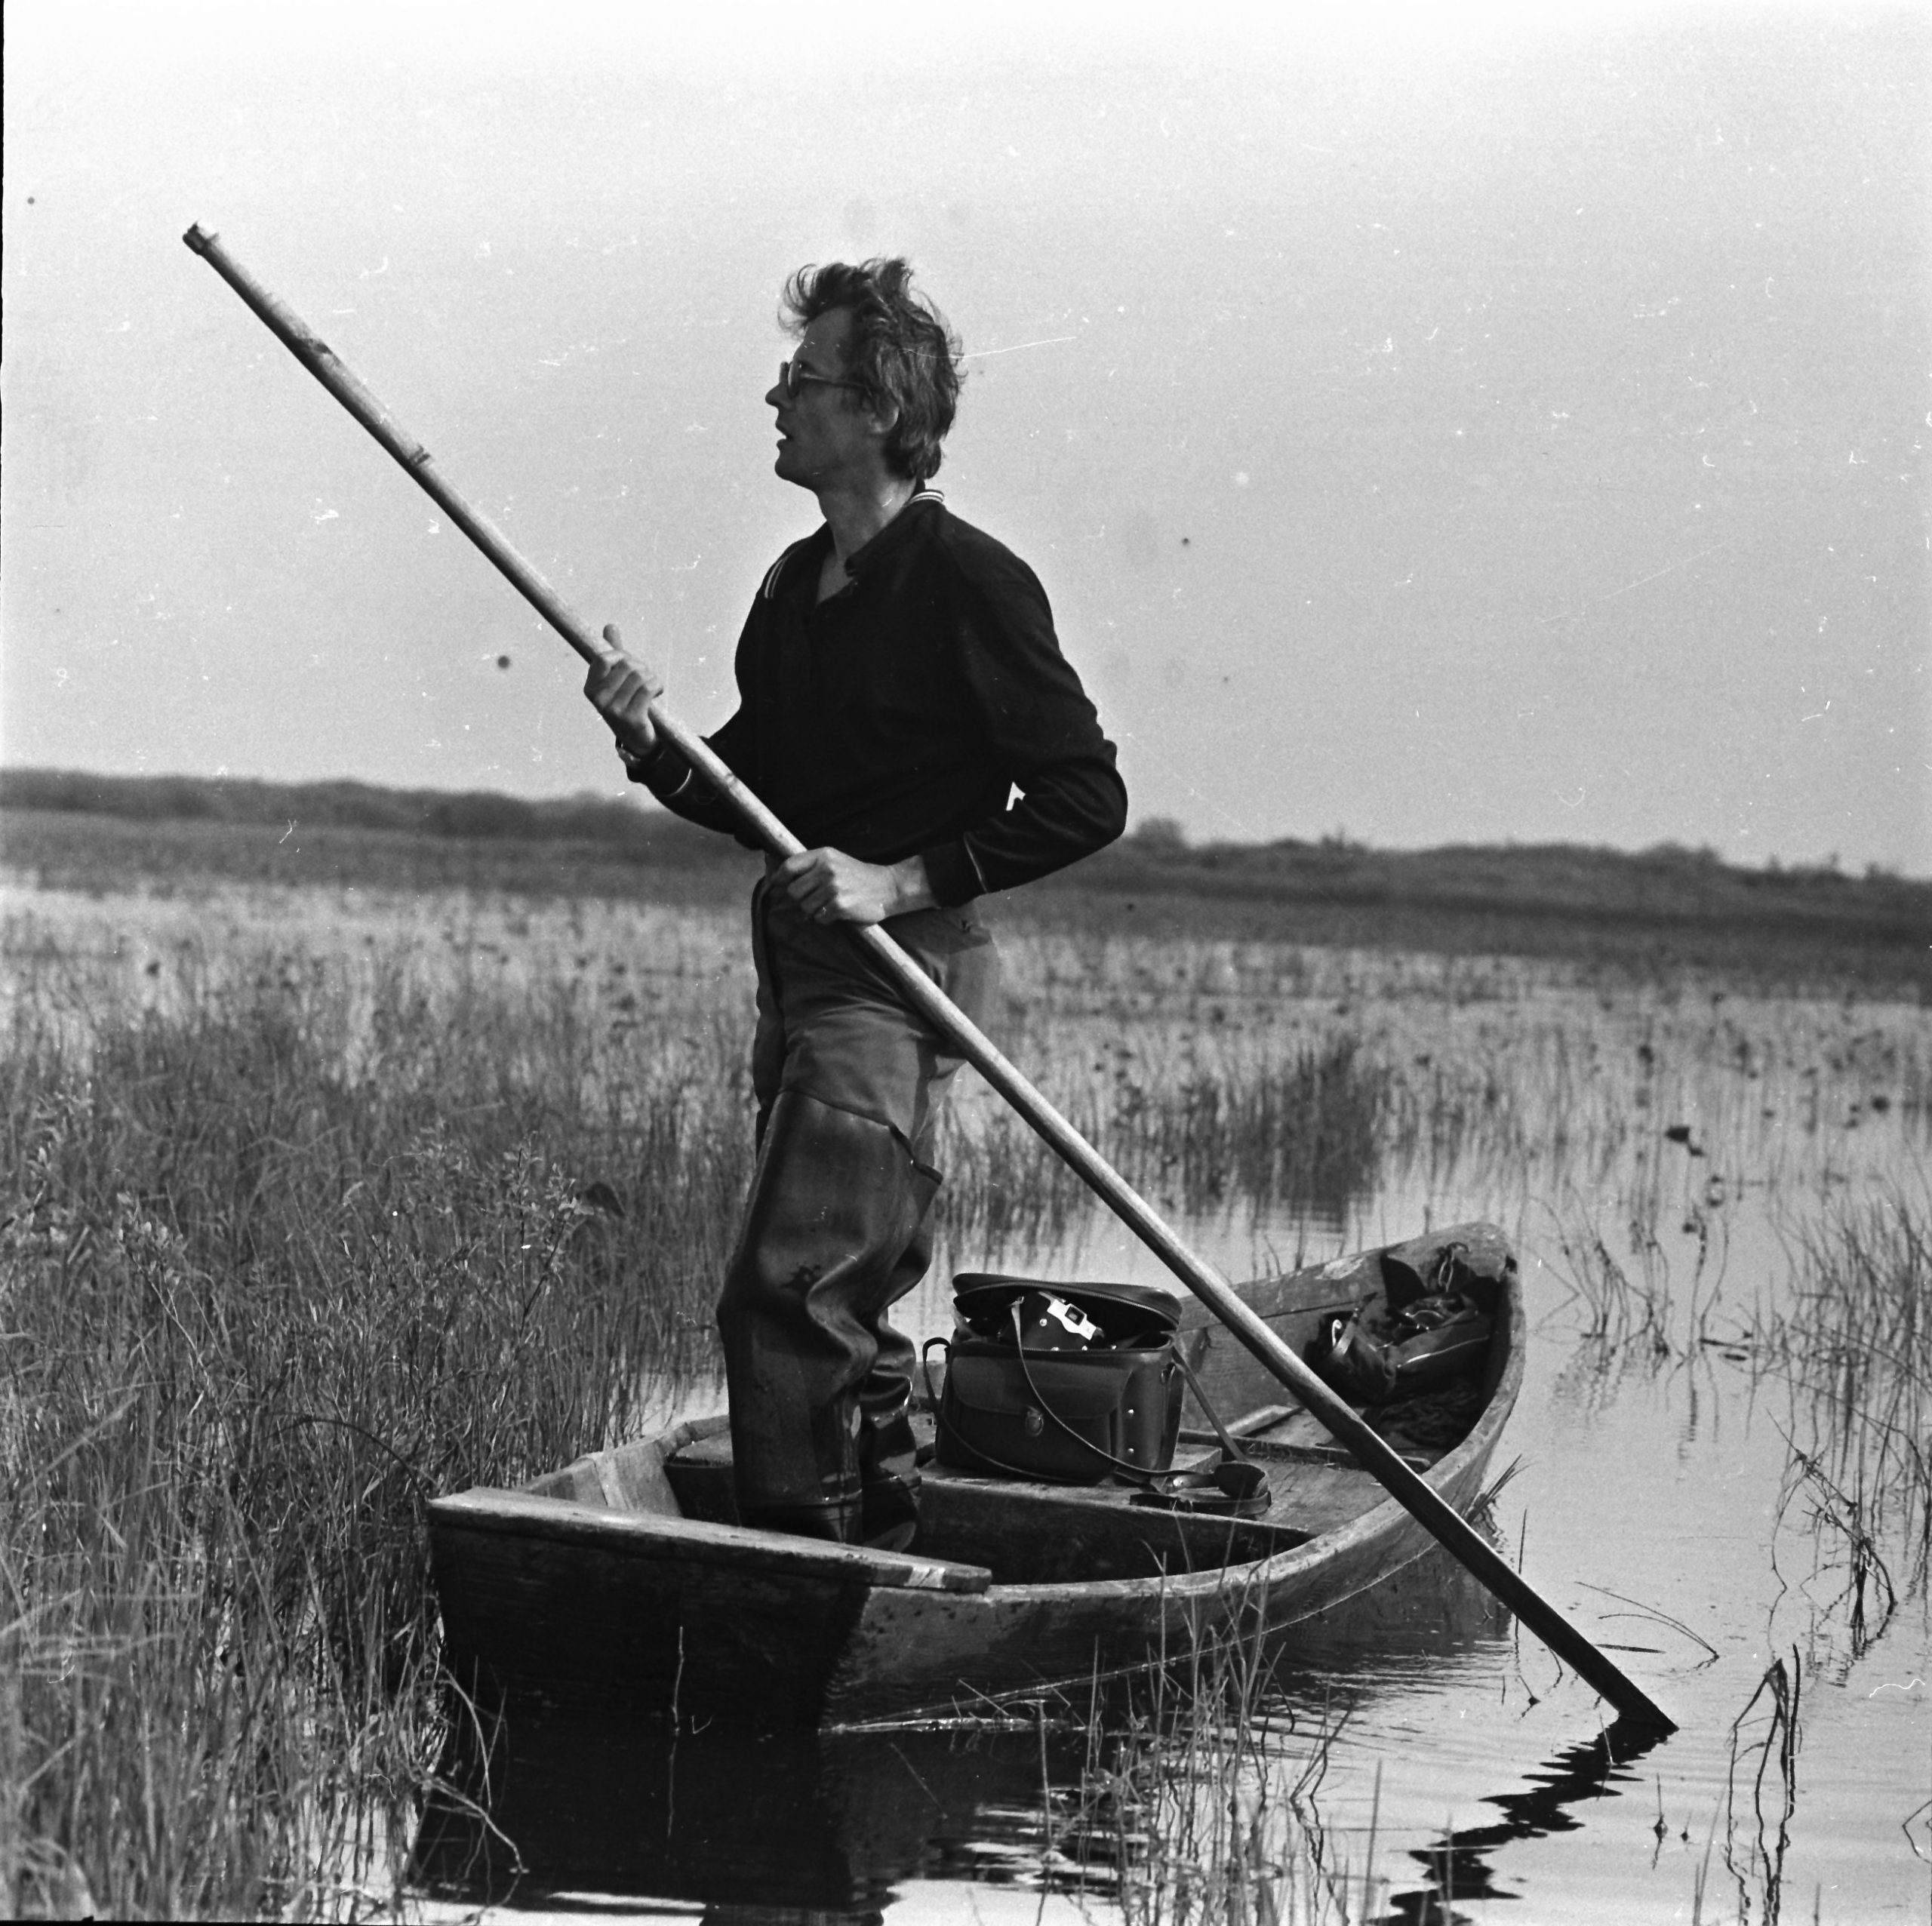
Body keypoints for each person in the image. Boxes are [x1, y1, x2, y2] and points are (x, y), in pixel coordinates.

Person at [585, 258, 1125, 1549]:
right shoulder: (790, 588)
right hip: (803, 973)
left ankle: (803, 1567)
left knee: (784, 1289)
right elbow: (757, 786)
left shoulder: (969, 580)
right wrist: (655, 746)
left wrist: (901, 877)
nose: (777, 397)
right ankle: (883, 1531)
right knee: (853, 1285)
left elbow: (1083, 795)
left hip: (904, 975)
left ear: (880, 407)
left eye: (802, 377)